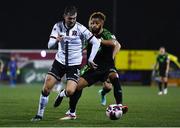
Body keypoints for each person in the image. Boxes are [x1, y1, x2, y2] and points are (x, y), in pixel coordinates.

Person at [31, 5, 100, 121]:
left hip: (74, 65)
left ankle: (61, 94)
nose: (72, 20)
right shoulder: (57, 26)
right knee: (46, 88)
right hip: (60, 62)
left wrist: (90, 59)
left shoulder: (81, 28)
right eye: (69, 18)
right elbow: (49, 45)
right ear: (64, 16)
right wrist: (55, 40)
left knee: (70, 91)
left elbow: (96, 42)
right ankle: (39, 114)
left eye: (74, 18)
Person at [54, 12, 128, 120]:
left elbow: (115, 43)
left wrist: (109, 53)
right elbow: (81, 48)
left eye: (96, 23)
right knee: (76, 88)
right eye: (91, 23)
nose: (93, 25)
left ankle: (120, 106)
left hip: (107, 66)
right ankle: (71, 111)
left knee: (114, 77)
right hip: (92, 67)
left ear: (101, 24)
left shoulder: (106, 34)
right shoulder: (87, 35)